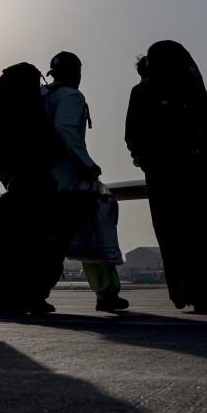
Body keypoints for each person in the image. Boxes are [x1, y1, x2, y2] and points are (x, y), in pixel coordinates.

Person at [124, 40, 207, 313]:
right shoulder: (193, 89)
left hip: (164, 178)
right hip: (200, 173)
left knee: (174, 232)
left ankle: (188, 288)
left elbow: (132, 135)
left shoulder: (141, 92)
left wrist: (148, 161)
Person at [42, 52, 129, 312]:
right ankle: (106, 293)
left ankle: (32, 292)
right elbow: (66, 129)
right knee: (93, 232)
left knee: (50, 240)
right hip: (68, 181)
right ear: (75, 72)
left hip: (42, 179)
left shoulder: (44, 96)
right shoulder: (71, 96)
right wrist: (86, 163)